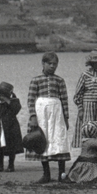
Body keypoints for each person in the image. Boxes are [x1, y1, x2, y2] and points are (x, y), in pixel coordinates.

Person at [26, 51, 71, 183]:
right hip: (42, 115)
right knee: (42, 140)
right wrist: (33, 116)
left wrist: (66, 118)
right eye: (49, 63)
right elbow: (30, 99)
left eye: (55, 64)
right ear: (43, 63)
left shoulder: (60, 80)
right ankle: (46, 174)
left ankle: (62, 174)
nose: (52, 66)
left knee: (59, 140)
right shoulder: (36, 80)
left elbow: (64, 100)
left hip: (57, 114)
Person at [0, 81, 23, 172]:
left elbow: (16, 109)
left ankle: (11, 165)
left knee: (11, 147)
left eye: (1, 93)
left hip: (11, 128)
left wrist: (6, 100)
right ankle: (0, 165)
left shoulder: (13, 101)